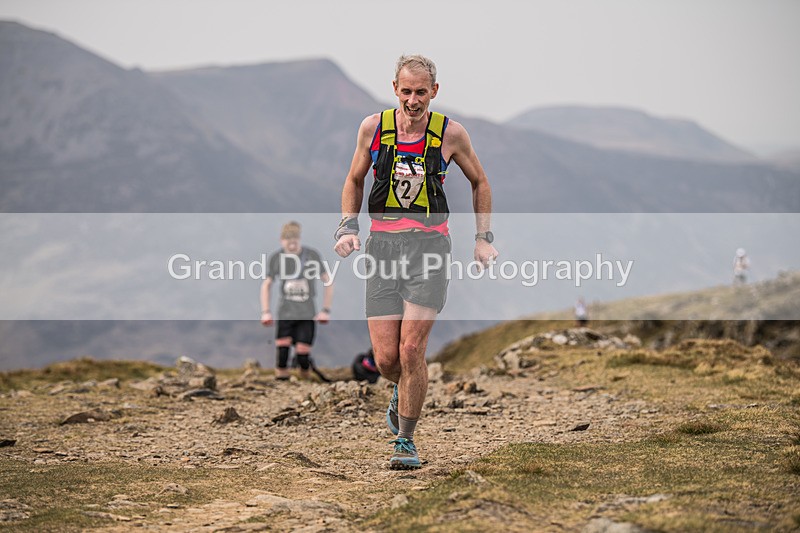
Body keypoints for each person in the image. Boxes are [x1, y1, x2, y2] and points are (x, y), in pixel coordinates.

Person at [334, 55, 498, 469]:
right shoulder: (373, 129)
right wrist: (347, 226)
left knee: (411, 350)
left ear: (434, 92)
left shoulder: (450, 133)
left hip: (430, 248)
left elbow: (480, 181)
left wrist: (483, 238)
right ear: (395, 88)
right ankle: (404, 389)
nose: (412, 100)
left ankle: (405, 440)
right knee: (387, 359)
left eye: (420, 92)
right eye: (406, 91)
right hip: (382, 249)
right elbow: (354, 179)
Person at [261, 221, 333, 380]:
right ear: (282, 240)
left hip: (307, 312)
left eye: (295, 241)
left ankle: (305, 384)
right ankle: (281, 387)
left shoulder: (311, 255)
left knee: (302, 352)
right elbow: (267, 284)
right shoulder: (276, 258)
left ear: (299, 239)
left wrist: (325, 309)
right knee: (282, 351)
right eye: (288, 241)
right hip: (286, 311)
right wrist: (266, 311)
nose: (292, 245)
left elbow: (327, 281)